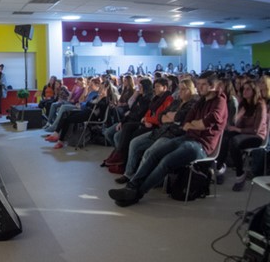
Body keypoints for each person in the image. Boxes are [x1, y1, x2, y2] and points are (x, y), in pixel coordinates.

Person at [108, 71, 227, 207]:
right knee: (154, 153)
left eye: (203, 84)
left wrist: (193, 124)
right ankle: (131, 187)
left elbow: (206, 122)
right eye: (199, 84)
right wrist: (194, 124)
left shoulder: (220, 101)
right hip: (187, 137)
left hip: (201, 146)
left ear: (213, 86)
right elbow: (185, 122)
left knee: (166, 161)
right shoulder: (201, 101)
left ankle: (136, 193)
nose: (200, 87)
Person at [115, 78, 198, 184]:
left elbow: (179, 118)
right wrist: (169, 117)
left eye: (183, 89)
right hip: (161, 130)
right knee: (134, 142)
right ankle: (128, 173)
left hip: (173, 135)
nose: (180, 92)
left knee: (149, 152)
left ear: (190, 90)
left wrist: (169, 116)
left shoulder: (192, 104)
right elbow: (161, 116)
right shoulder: (176, 102)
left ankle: (137, 181)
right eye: (180, 89)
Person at [215, 79, 267, 191]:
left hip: (257, 137)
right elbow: (236, 124)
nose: (244, 91)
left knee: (234, 141)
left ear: (254, 91)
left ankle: (240, 173)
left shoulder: (260, 105)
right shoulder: (244, 104)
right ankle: (219, 167)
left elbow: (256, 130)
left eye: (248, 89)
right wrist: (238, 117)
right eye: (244, 89)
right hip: (243, 133)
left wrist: (237, 129)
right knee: (225, 136)